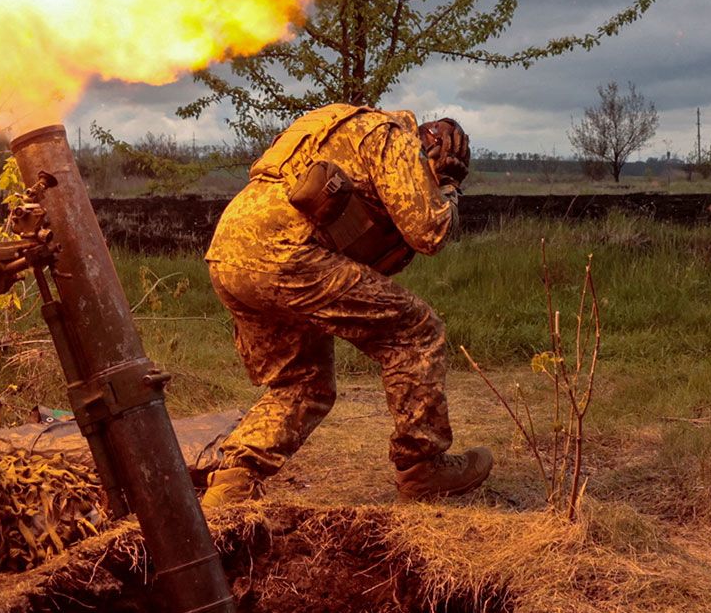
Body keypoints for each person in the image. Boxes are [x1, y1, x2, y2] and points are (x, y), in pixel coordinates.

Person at [198, 103, 492, 509]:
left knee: (303, 382)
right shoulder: (392, 137)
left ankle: (233, 481)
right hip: (288, 254)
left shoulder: (335, 126)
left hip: (230, 252)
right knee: (415, 331)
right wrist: (447, 188)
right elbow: (429, 231)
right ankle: (423, 466)